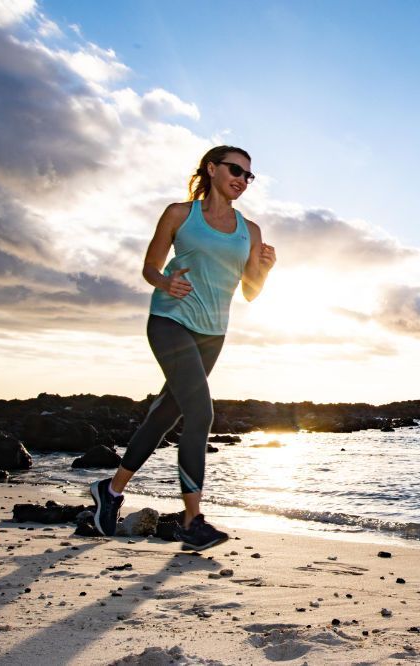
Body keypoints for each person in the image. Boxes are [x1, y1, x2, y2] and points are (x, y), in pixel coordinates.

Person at [89, 145, 276, 550]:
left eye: (249, 175)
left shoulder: (251, 230)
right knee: (201, 412)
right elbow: (150, 266)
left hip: (213, 333)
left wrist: (264, 268)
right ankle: (192, 521)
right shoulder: (180, 214)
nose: (242, 179)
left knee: (163, 417)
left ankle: (111, 490)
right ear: (212, 169)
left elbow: (251, 292)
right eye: (235, 170)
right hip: (170, 321)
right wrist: (164, 283)